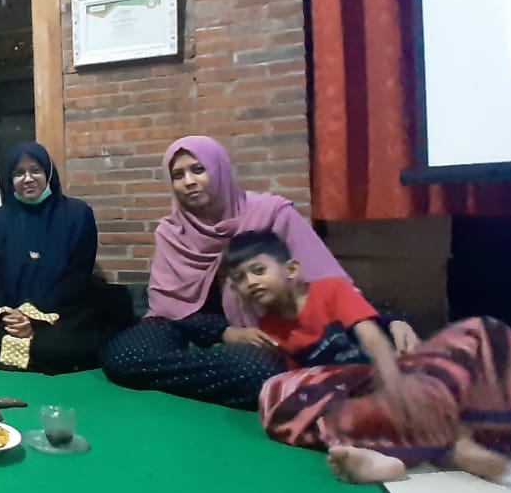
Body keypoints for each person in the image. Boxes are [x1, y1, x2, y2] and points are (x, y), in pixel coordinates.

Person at [223, 231, 511, 484]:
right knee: (275, 393)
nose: (250, 282)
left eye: (258, 270)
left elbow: (372, 338)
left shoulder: (331, 290)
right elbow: (307, 391)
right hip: (360, 402)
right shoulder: (269, 329)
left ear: (291, 270)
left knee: (486, 330)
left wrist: (396, 385)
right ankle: (409, 453)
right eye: (239, 278)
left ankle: (475, 437)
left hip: (395, 377)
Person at [99, 136, 356, 409]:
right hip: (192, 324)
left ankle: (232, 378)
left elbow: (323, 281)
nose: (189, 181)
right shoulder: (172, 231)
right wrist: (224, 333)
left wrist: (381, 322)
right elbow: (168, 308)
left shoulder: (272, 214)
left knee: (257, 370)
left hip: (263, 327)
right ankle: (236, 380)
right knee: (124, 357)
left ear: (219, 170)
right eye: (178, 175)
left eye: (198, 170)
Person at [0, 143, 108, 374]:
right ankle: (35, 357)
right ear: (10, 179)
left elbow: (78, 277)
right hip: (13, 316)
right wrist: (7, 316)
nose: (28, 178)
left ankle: (30, 357)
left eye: (35, 170)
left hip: (62, 313)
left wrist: (33, 317)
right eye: (19, 173)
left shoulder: (77, 214)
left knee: (54, 347)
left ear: (48, 173)